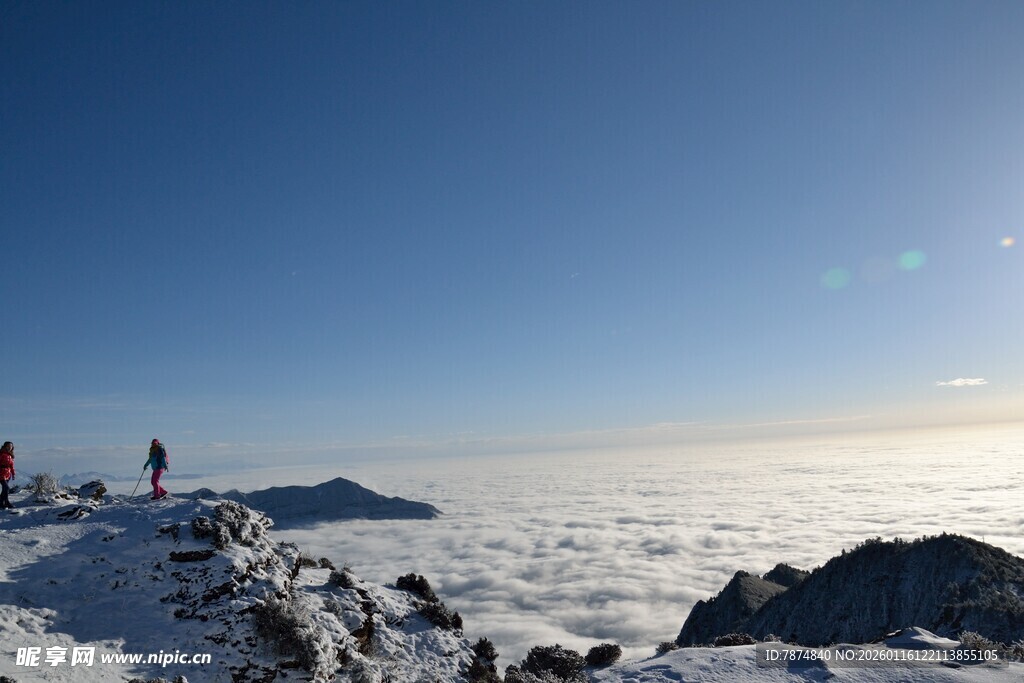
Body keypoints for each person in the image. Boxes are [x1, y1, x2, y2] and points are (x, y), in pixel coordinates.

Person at [0, 442, 15, 509]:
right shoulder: (1, 454)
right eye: (8, 446)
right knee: (6, 488)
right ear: (5, 446)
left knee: (4, 489)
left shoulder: (10, 455)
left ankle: (2, 503)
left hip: (8, 474)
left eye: (11, 446)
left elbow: (11, 466)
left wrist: (13, 474)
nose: (10, 447)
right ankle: (6, 502)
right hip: (1, 473)